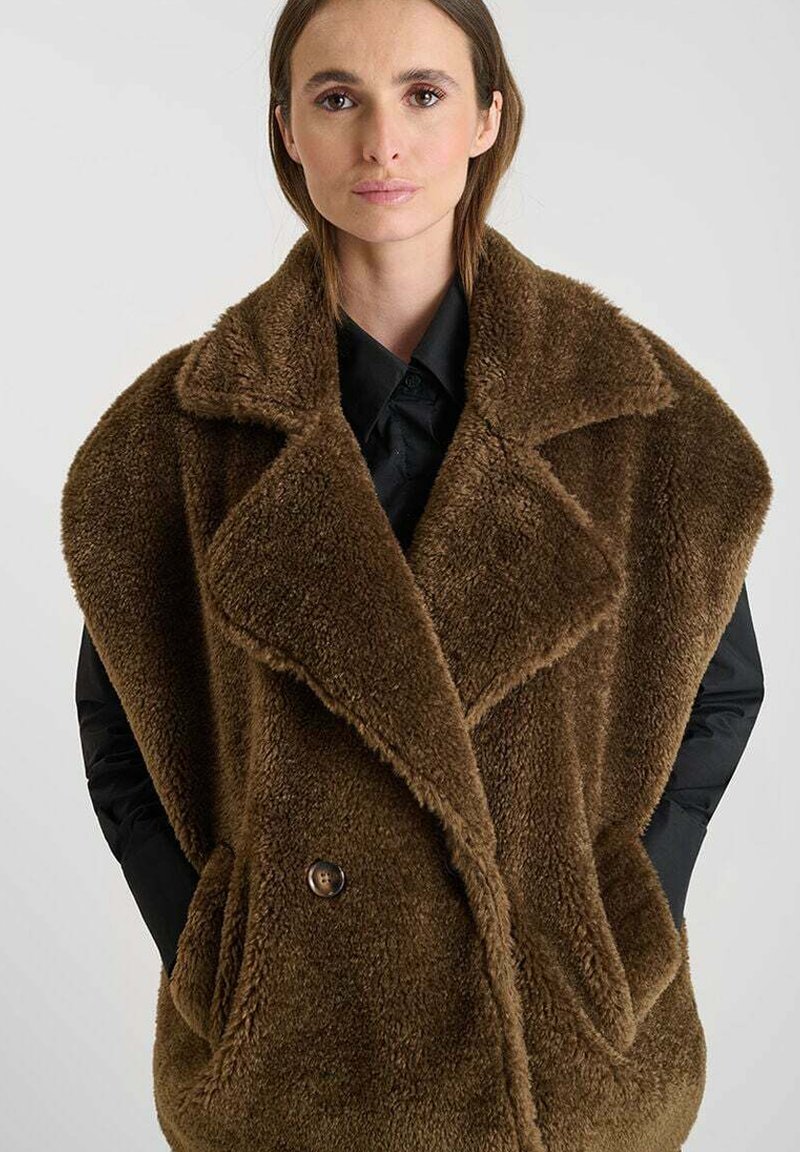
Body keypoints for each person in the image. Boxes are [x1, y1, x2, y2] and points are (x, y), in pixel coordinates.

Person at [60, 1, 773, 1150]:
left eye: (423, 95)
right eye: (337, 97)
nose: (380, 143)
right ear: (287, 128)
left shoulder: (640, 421)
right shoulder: (172, 444)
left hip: (564, 1077)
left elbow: (719, 690)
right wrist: (216, 960)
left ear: (486, 117)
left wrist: (621, 923)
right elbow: (119, 731)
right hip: (293, 1085)